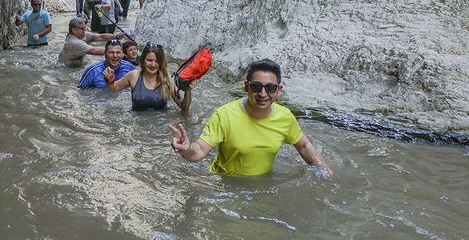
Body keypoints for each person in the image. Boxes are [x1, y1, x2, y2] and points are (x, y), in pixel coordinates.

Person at [168, 59, 330, 176]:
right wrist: (186, 149)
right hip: (223, 183)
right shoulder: (224, 115)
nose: (263, 94)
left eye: (270, 88)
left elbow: (303, 146)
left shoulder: (285, 117)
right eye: (256, 87)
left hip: (262, 184)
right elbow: (200, 150)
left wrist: (326, 172)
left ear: (279, 90)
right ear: (246, 86)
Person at [103, 42, 193, 112]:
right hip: (137, 126)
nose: (153, 64)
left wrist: (188, 89)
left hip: (161, 128)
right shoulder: (134, 76)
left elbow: (184, 108)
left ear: (161, 62)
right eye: (149, 60)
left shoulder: (168, 80)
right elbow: (114, 88)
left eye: (157, 61)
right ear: (143, 61)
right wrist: (110, 79)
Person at [58, 16, 125, 66]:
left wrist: (116, 37)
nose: (85, 30)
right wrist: (120, 51)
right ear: (74, 30)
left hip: (75, 64)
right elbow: (95, 51)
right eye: (82, 28)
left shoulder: (82, 34)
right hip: (65, 68)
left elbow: (100, 37)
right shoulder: (73, 42)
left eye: (85, 27)